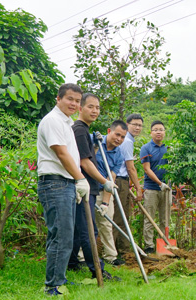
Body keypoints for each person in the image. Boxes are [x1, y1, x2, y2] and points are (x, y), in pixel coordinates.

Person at [37, 83, 90, 296]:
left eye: (77, 101)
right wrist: (80, 178)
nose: (74, 104)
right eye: (70, 99)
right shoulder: (52, 121)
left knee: (62, 235)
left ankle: (58, 279)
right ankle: (53, 286)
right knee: (62, 236)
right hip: (55, 183)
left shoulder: (66, 123)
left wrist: (74, 182)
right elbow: (61, 153)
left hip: (65, 183)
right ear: (58, 99)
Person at [67, 93, 119, 281]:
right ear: (80, 107)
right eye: (90, 106)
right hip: (85, 186)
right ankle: (97, 270)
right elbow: (85, 162)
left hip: (86, 186)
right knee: (89, 230)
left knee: (77, 228)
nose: (95, 110)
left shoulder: (83, 131)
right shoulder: (79, 130)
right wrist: (105, 181)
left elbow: (88, 155)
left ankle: (72, 263)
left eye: (97, 107)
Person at [94, 120, 128, 266]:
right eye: (117, 134)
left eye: (122, 137)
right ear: (109, 131)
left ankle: (110, 257)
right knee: (85, 224)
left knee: (107, 224)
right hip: (88, 189)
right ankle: (81, 257)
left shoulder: (119, 154)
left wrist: (105, 203)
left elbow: (111, 177)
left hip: (104, 190)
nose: (119, 139)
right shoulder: (94, 141)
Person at [113, 114, 144, 258]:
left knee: (124, 216)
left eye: (140, 125)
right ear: (127, 124)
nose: (137, 127)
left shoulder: (128, 141)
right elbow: (130, 167)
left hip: (123, 181)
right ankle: (112, 252)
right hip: (119, 180)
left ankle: (124, 250)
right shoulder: (126, 141)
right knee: (119, 218)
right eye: (134, 124)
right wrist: (138, 188)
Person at [140, 120, 170, 254]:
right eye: (156, 129)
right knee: (150, 218)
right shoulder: (146, 148)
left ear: (164, 132)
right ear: (151, 132)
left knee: (165, 218)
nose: (158, 132)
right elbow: (147, 169)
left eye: (161, 129)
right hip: (152, 188)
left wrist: (168, 184)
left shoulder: (168, 149)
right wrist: (159, 183)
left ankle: (163, 244)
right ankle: (149, 246)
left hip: (167, 189)